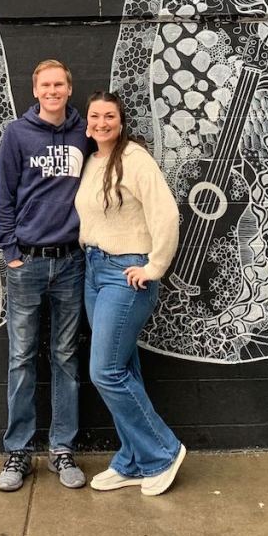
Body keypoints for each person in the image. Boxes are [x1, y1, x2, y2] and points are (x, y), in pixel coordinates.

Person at [76, 91, 185, 496]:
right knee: (123, 370)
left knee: (104, 371)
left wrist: (154, 266)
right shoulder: (93, 161)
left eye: (109, 117)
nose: (101, 123)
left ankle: (163, 451)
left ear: (121, 123)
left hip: (126, 273)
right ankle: (133, 460)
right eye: (94, 116)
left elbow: (166, 212)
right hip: (94, 270)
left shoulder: (135, 159)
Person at [0, 59, 90, 492]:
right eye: (45, 85)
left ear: (69, 89)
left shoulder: (84, 131)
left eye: (59, 84)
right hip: (27, 264)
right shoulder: (17, 133)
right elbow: (3, 195)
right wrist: (11, 252)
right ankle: (18, 451)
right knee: (21, 357)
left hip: (71, 262)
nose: (52, 91)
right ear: (35, 90)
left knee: (66, 358)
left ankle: (62, 448)